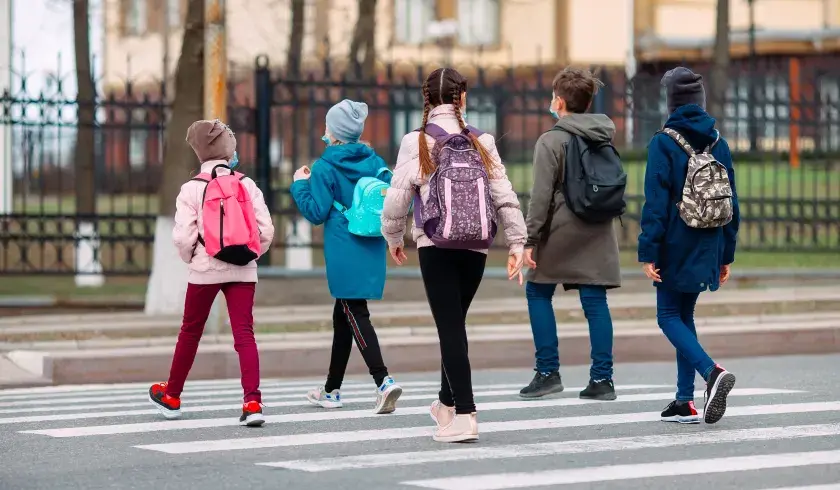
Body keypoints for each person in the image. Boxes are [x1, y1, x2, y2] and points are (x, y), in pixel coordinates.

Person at [381, 67, 527, 443]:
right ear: (462, 99)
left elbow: (397, 196)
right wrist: (516, 242)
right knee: (454, 326)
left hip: (436, 244)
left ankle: (465, 413)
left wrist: (393, 236)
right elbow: (503, 193)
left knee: (450, 328)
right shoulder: (483, 140)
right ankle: (446, 403)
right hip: (476, 247)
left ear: (425, 100)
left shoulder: (416, 141)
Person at [149, 119, 275, 427]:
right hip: (243, 269)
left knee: (190, 332)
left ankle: (172, 396)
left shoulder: (191, 189)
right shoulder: (247, 184)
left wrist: (194, 257)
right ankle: (252, 402)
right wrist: (251, 255)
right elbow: (266, 229)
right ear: (228, 150)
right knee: (244, 334)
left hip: (204, 269)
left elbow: (181, 236)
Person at [638, 67, 740, 425]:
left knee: (667, 316)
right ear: (700, 102)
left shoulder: (663, 142)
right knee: (685, 315)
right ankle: (684, 402)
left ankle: (711, 373)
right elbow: (733, 204)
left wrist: (648, 251)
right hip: (709, 241)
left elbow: (655, 204)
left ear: (671, 103)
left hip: (675, 244)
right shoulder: (719, 142)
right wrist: (726, 255)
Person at [291, 99, 403, 415]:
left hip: (343, 246)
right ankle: (331, 390)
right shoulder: (374, 161)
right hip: (370, 243)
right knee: (343, 316)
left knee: (354, 311)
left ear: (334, 132)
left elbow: (315, 212)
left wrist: (299, 185)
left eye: (328, 125)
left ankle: (383, 381)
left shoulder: (325, 167)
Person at [520, 67, 621, 401]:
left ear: (559, 101)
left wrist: (529, 239)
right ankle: (602, 380)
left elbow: (541, 197)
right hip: (599, 230)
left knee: (537, 292)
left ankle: (548, 372)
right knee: (595, 301)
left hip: (562, 230)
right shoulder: (603, 134)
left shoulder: (551, 140)